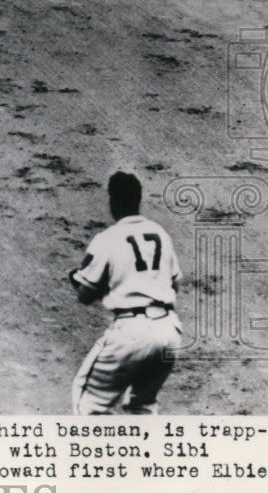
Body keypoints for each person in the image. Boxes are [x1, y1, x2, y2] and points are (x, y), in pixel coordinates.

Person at [69, 171, 183, 414]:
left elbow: (85, 295)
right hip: (169, 332)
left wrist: (76, 279)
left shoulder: (107, 238)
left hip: (131, 333)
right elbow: (175, 285)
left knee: (88, 404)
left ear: (113, 201)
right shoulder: (160, 232)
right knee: (143, 407)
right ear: (138, 200)